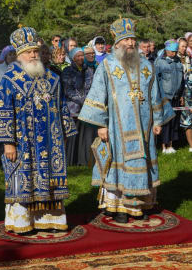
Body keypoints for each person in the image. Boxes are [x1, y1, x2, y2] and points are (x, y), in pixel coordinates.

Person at [78, 17, 174, 223]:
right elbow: (97, 94)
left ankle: (140, 205)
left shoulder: (146, 65)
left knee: (142, 163)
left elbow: (154, 94)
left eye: (133, 39)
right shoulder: (107, 66)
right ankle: (119, 207)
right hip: (115, 127)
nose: (130, 43)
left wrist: (158, 120)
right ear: (117, 43)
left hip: (144, 126)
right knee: (118, 165)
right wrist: (101, 125)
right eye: (126, 39)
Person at [0, 27, 77, 233]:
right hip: (22, 142)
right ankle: (23, 222)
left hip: (51, 141)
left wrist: (65, 133)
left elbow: (61, 108)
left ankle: (50, 220)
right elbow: (3, 111)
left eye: (35, 50)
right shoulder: (10, 79)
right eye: (28, 52)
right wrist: (8, 143)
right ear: (19, 55)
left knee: (51, 179)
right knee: (24, 179)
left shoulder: (52, 78)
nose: (33, 55)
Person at [62, 48, 95, 166]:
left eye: (82, 56)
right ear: (72, 57)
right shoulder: (67, 71)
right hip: (73, 109)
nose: (80, 58)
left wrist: (88, 101)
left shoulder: (89, 70)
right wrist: (82, 100)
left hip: (87, 108)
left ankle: (85, 159)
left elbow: (92, 86)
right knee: (73, 137)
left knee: (85, 135)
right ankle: (72, 160)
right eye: (78, 56)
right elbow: (68, 90)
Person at [155, 39, 184, 154]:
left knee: (174, 122)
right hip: (165, 97)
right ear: (166, 50)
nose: (174, 53)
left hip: (176, 97)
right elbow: (156, 80)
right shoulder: (159, 62)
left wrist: (181, 95)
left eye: (175, 51)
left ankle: (171, 145)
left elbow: (182, 81)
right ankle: (163, 146)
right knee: (165, 122)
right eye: (172, 51)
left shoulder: (178, 62)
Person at [179, 37, 192, 151]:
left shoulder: (188, 57)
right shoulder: (176, 59)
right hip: (183, 91)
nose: (184, 48)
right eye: (182, 46)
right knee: (187, 118)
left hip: (190, 87)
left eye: (185, 46)